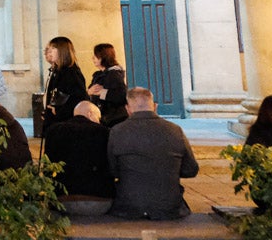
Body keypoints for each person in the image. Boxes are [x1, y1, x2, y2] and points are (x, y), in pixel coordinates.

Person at [107, 87, 199, 220]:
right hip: (169, 207)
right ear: (155, 106)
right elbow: (191, 170)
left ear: (128, 109)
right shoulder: (175, 130)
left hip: (129, 206)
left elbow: (112, 170)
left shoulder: (117, 131)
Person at [45, 100, 114, 213]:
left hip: (61, 201)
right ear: (90, 114)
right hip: (100, 201)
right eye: (98, 117)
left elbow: (47, 165)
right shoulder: (104, 132)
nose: (99, 121)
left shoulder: (53, 131)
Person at [42, 36, 89, 135]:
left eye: (53, 48)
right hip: (56, 122)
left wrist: (58, 110)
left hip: (66, 123)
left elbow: (79, 98)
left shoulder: (71, 72)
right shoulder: (58, 71)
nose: (50, 51)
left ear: (62, 51)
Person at [88, 43, 128, 127]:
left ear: (103, 57)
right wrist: (89, 91)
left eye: (96, 56)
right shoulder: (98, 74)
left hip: (113, 119)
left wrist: (102, 92)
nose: (93, 58)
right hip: (103, 117)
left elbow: (121, 95)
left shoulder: (114, 74)